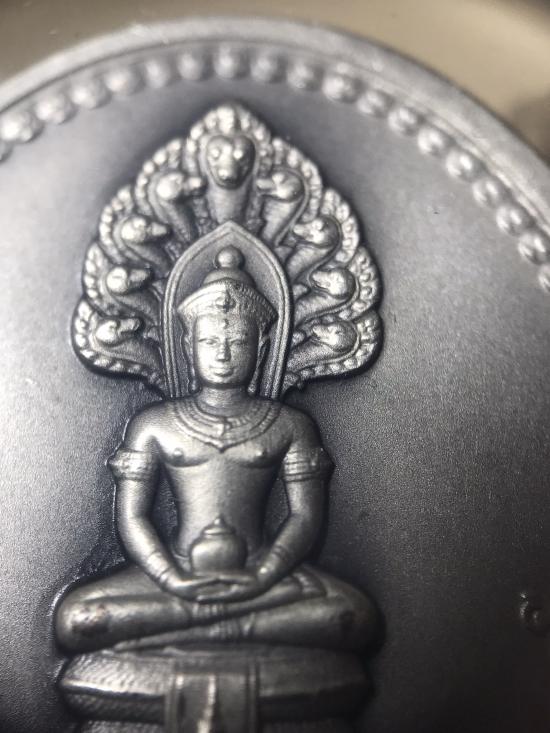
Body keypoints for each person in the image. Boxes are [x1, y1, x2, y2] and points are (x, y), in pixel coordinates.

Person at [55, 247, 375, 654]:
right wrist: (170, 577)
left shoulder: (290, 425)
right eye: (209, 341)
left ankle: (191, 627)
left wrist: (264, 574)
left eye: (237, 341)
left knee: (352, 616)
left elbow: (305, 516)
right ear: (188, 344)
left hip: (262, 573)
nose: (222, 353)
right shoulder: (154, 425)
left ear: (261, 348)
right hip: (174, 573)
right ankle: (239, 625)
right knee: (79, 618)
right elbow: (132, 516)